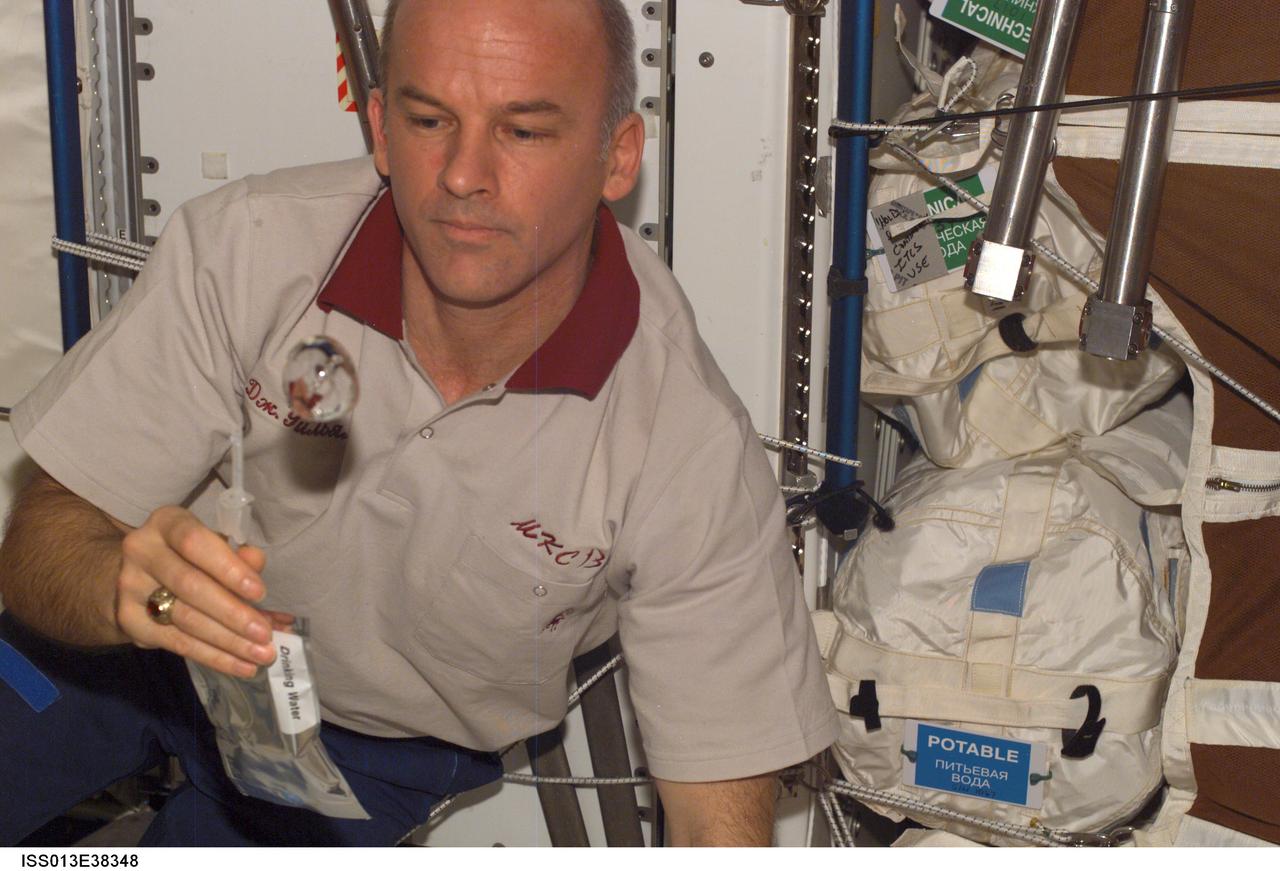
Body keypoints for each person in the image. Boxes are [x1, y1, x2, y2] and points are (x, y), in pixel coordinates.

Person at [0, 0, 836, 846]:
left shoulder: (686, 442)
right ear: (381, 130)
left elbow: (717, 827)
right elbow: (43, 540)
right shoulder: (245, 248)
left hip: (365, 754)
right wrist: (126, 588)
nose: (464, 175)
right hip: (139, 654)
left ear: (617, 158)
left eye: (524, 131)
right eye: (431, 119)